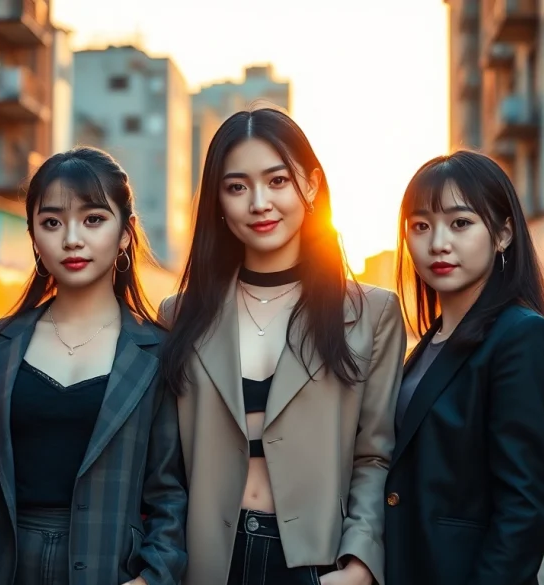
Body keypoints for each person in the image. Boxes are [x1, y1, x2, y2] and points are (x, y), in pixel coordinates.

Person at [159, 108, 405, 585]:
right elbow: (165, 466)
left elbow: (375, 454)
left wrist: (359, 562)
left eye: (277, 181)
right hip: (208, 564)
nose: (259, 203)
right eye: (236, 187)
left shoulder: (372, 313)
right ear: (218, 202)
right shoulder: (179, 316)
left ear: (310, 186)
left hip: (318, 563)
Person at [0, 147, 187, 585]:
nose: (71, 238)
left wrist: (152, 578)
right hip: (2, 567)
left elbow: (170, 491)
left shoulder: (158, 352)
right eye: (52, 223)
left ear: (125, 232)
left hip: (110, 569)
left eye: (93, 220)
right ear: (32, 235)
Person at [384, 150, 544, 585]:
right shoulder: (431, 342)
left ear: (503, 234)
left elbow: (525, 505)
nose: (438, 243)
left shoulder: (521, 337)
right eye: (420, 226)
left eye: (460, 223)